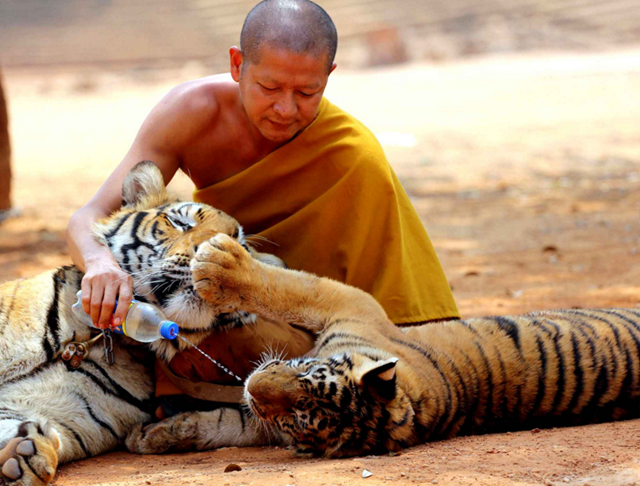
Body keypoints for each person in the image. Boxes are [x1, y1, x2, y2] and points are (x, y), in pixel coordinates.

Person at [67, 0, 459, 407]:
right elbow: (88, 217)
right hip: (218, 288)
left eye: (307, 92)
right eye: (269, 88)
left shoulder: (354, 156)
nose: (286, 109)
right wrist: (100, 264)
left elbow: (396, 309)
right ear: (237, 65)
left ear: (329, 76)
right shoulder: (190, 113)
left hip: (312, 323)